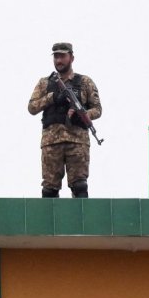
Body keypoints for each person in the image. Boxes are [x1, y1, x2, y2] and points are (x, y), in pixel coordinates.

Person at [27, 42, 103, 198]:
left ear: (72, 58)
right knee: (49, 190)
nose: (58, 60)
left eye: (62, 56)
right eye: (56, 56)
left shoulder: (85, 82)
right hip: (51, 143)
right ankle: (49, 222)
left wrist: (83, 114)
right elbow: (32, 107)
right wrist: (53, 97)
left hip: (77, 142)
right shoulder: (45, 83)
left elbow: (97, 109)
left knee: (80, 187)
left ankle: (80, 222)